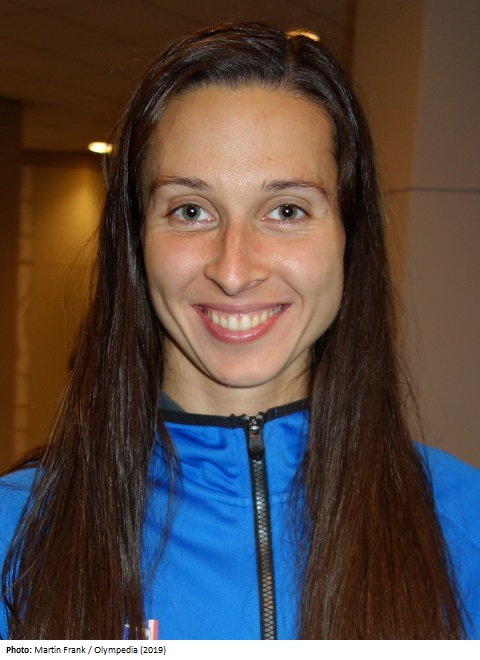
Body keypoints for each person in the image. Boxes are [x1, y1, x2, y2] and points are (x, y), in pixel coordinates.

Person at [0, 22, 479, 641]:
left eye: (286, 210)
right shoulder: (18, 534)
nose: (233, 270)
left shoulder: (461, 522)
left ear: (349, 237)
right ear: (136, 242)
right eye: (190, 210)